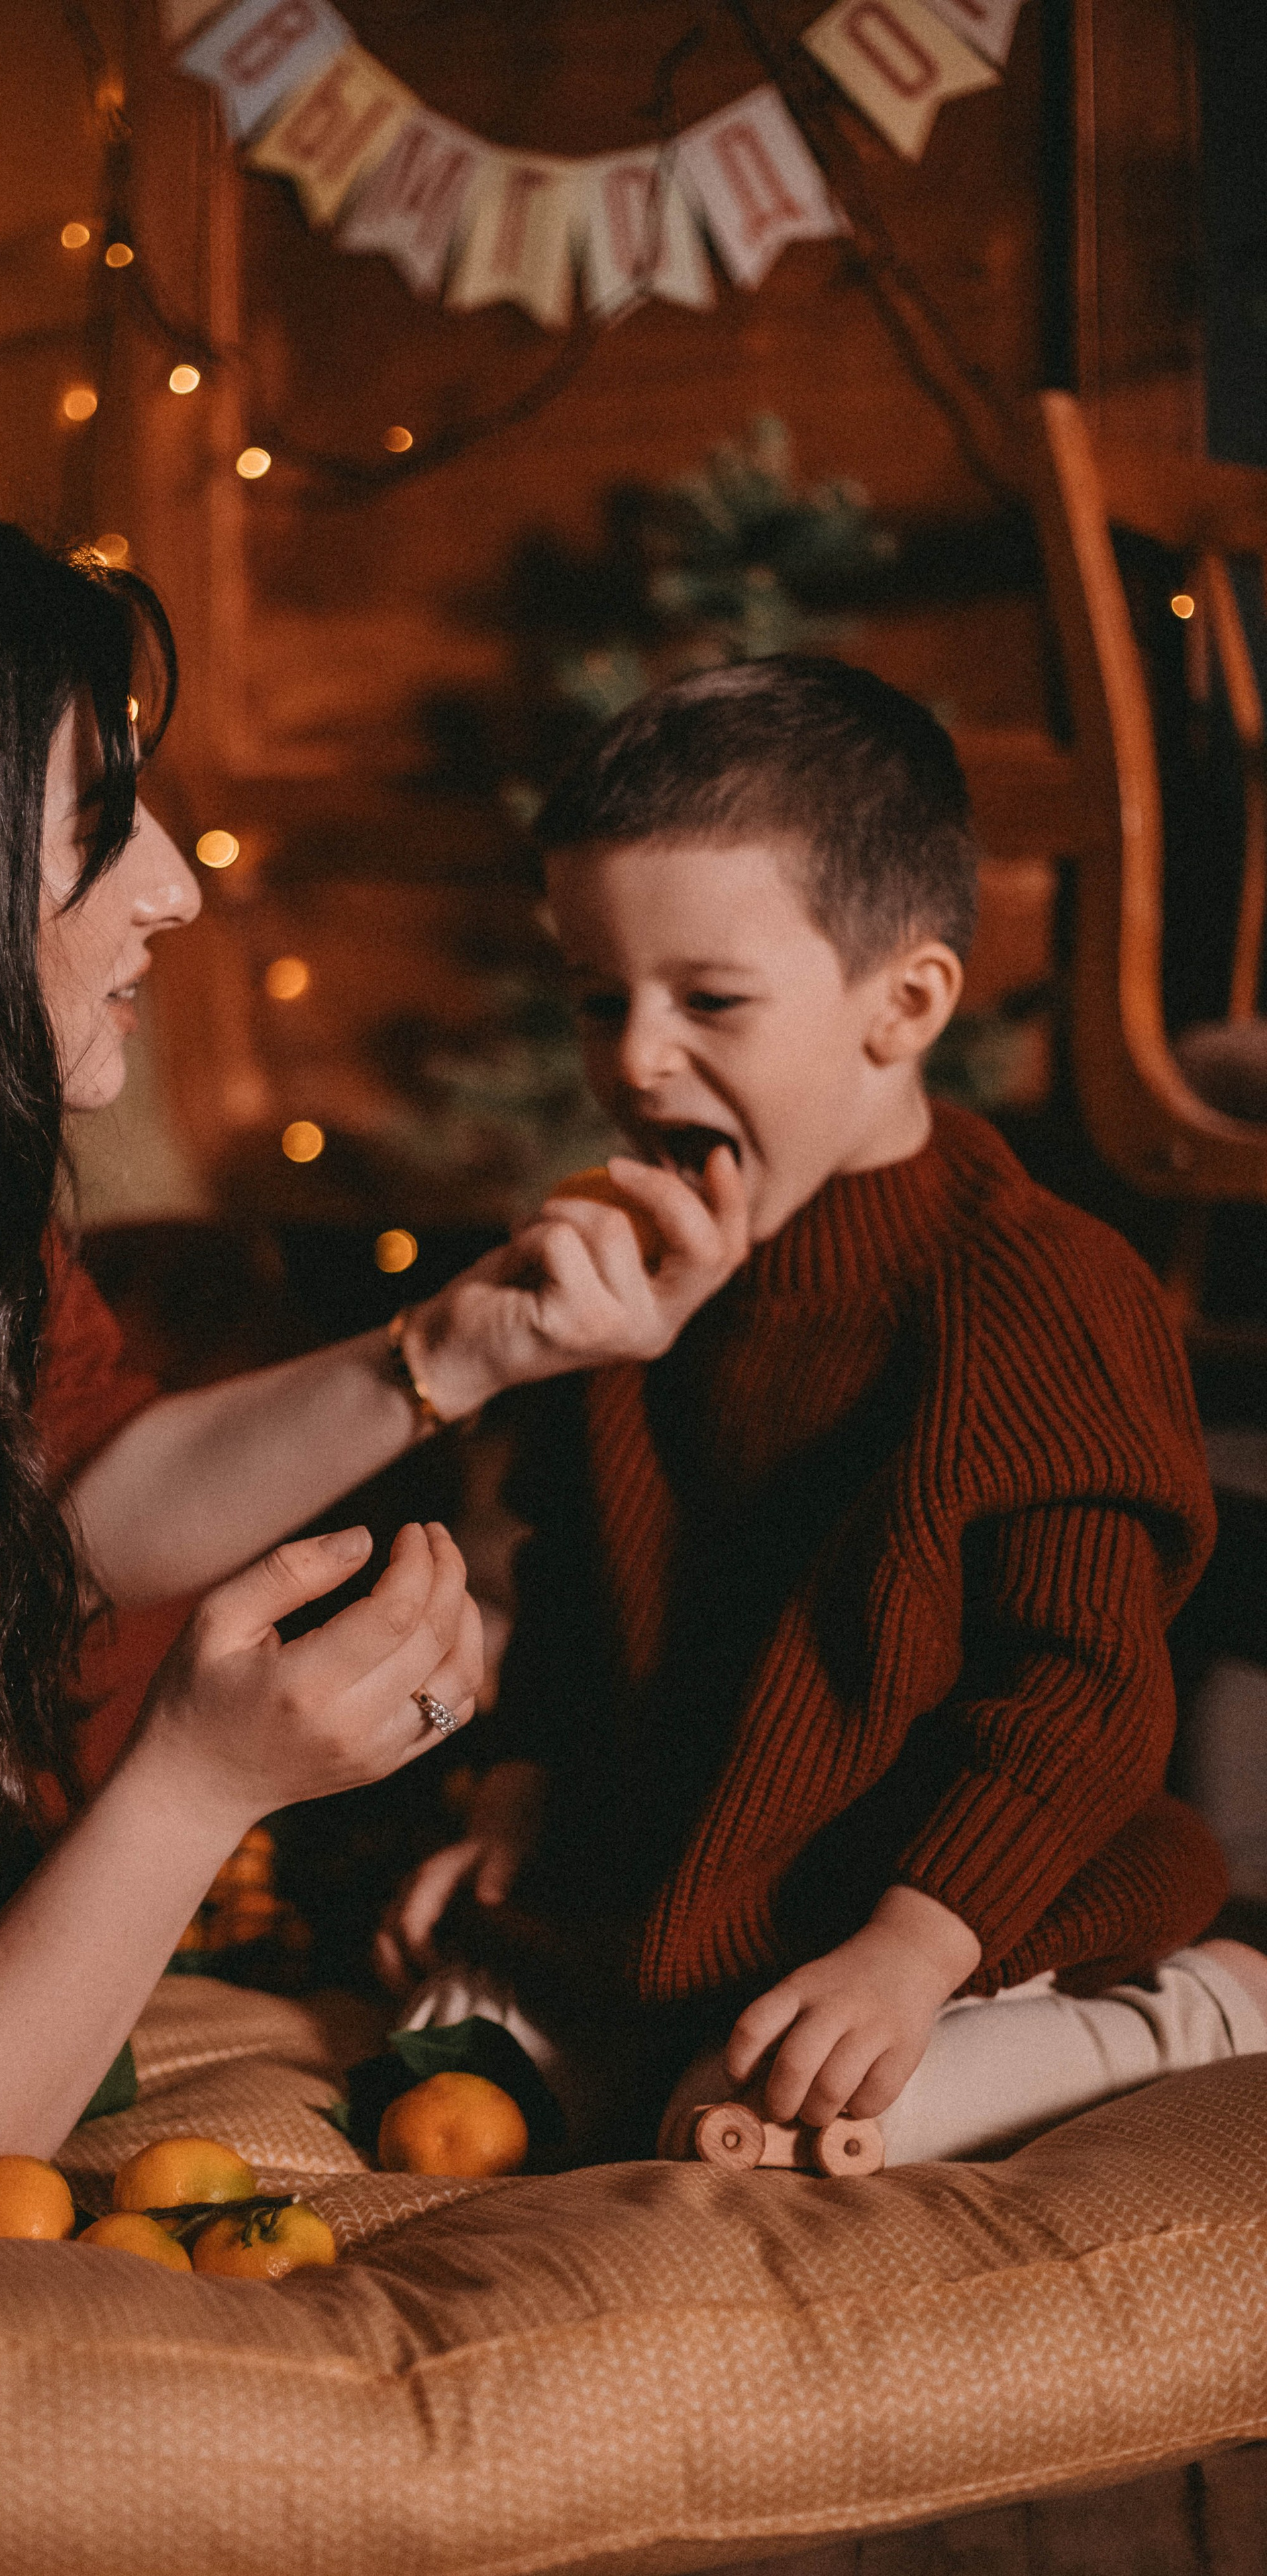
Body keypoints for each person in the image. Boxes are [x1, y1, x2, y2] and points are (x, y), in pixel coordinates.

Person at [0, 493, 753, 2253]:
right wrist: (201, 1784)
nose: (179, 885)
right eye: (100, 830)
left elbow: (78, 1504)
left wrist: (458, 1347)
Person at [377, 657, 1267, 2163]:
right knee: (441, 2061)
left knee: (752, 2127)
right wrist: (516, 1797)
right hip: (688, 1891)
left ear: (903, 1004)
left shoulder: (1038, 1291)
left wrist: (914, 1948)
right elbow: (580, 1585)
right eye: (599, 999)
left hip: (972, 1900)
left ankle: (1206, 2006)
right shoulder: (622, 1278)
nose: (635, 1058)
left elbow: (1079, 1691)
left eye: (709, 1002)